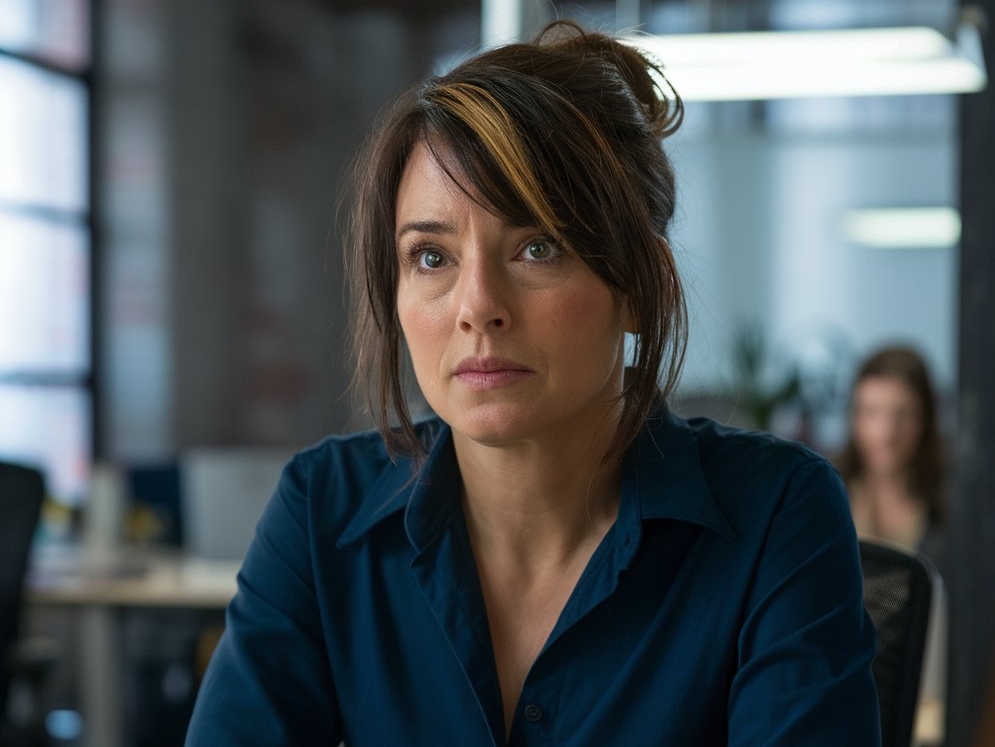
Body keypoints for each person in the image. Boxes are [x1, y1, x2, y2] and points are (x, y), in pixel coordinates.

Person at [185, 21, 879, 746]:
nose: (476, 303)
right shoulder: (320, 510)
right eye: (430, 256)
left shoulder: (776, 515)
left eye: (537, 246)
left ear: (641, 287)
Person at [836, 345, 946, 561]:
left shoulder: (949, 505)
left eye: (903, 414)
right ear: (854, 418)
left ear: (926, 419)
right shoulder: (828, 497)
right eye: (871, 412)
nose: (886, 433)